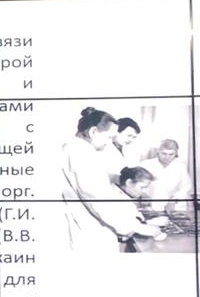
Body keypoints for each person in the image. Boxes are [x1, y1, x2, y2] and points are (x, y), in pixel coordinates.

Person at [58, 107, 162, 252]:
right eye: (108, 137)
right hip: (90, 232)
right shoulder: (82, 155)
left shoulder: (75, 149)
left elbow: (106, 192)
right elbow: (98, 199)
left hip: (88, 226)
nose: (109, 143)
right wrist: (136, 227)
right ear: (93, 131)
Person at [140, 139, 193, 214]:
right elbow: (137, 184)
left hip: (173, 206)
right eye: (164, 153)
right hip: (149, 205)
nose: (167, 157)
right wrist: (143, 195)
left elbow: (186, 187)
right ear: (158, 151)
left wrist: (174, 200)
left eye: (171, 154)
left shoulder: (180, 167)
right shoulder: (146, 165)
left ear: (176, 153)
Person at [104, 117, 141, 182]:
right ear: (116, 132)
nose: (130, 140)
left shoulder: (128, 150)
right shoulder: (104, 148)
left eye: (133, 137)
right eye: (129, 135)